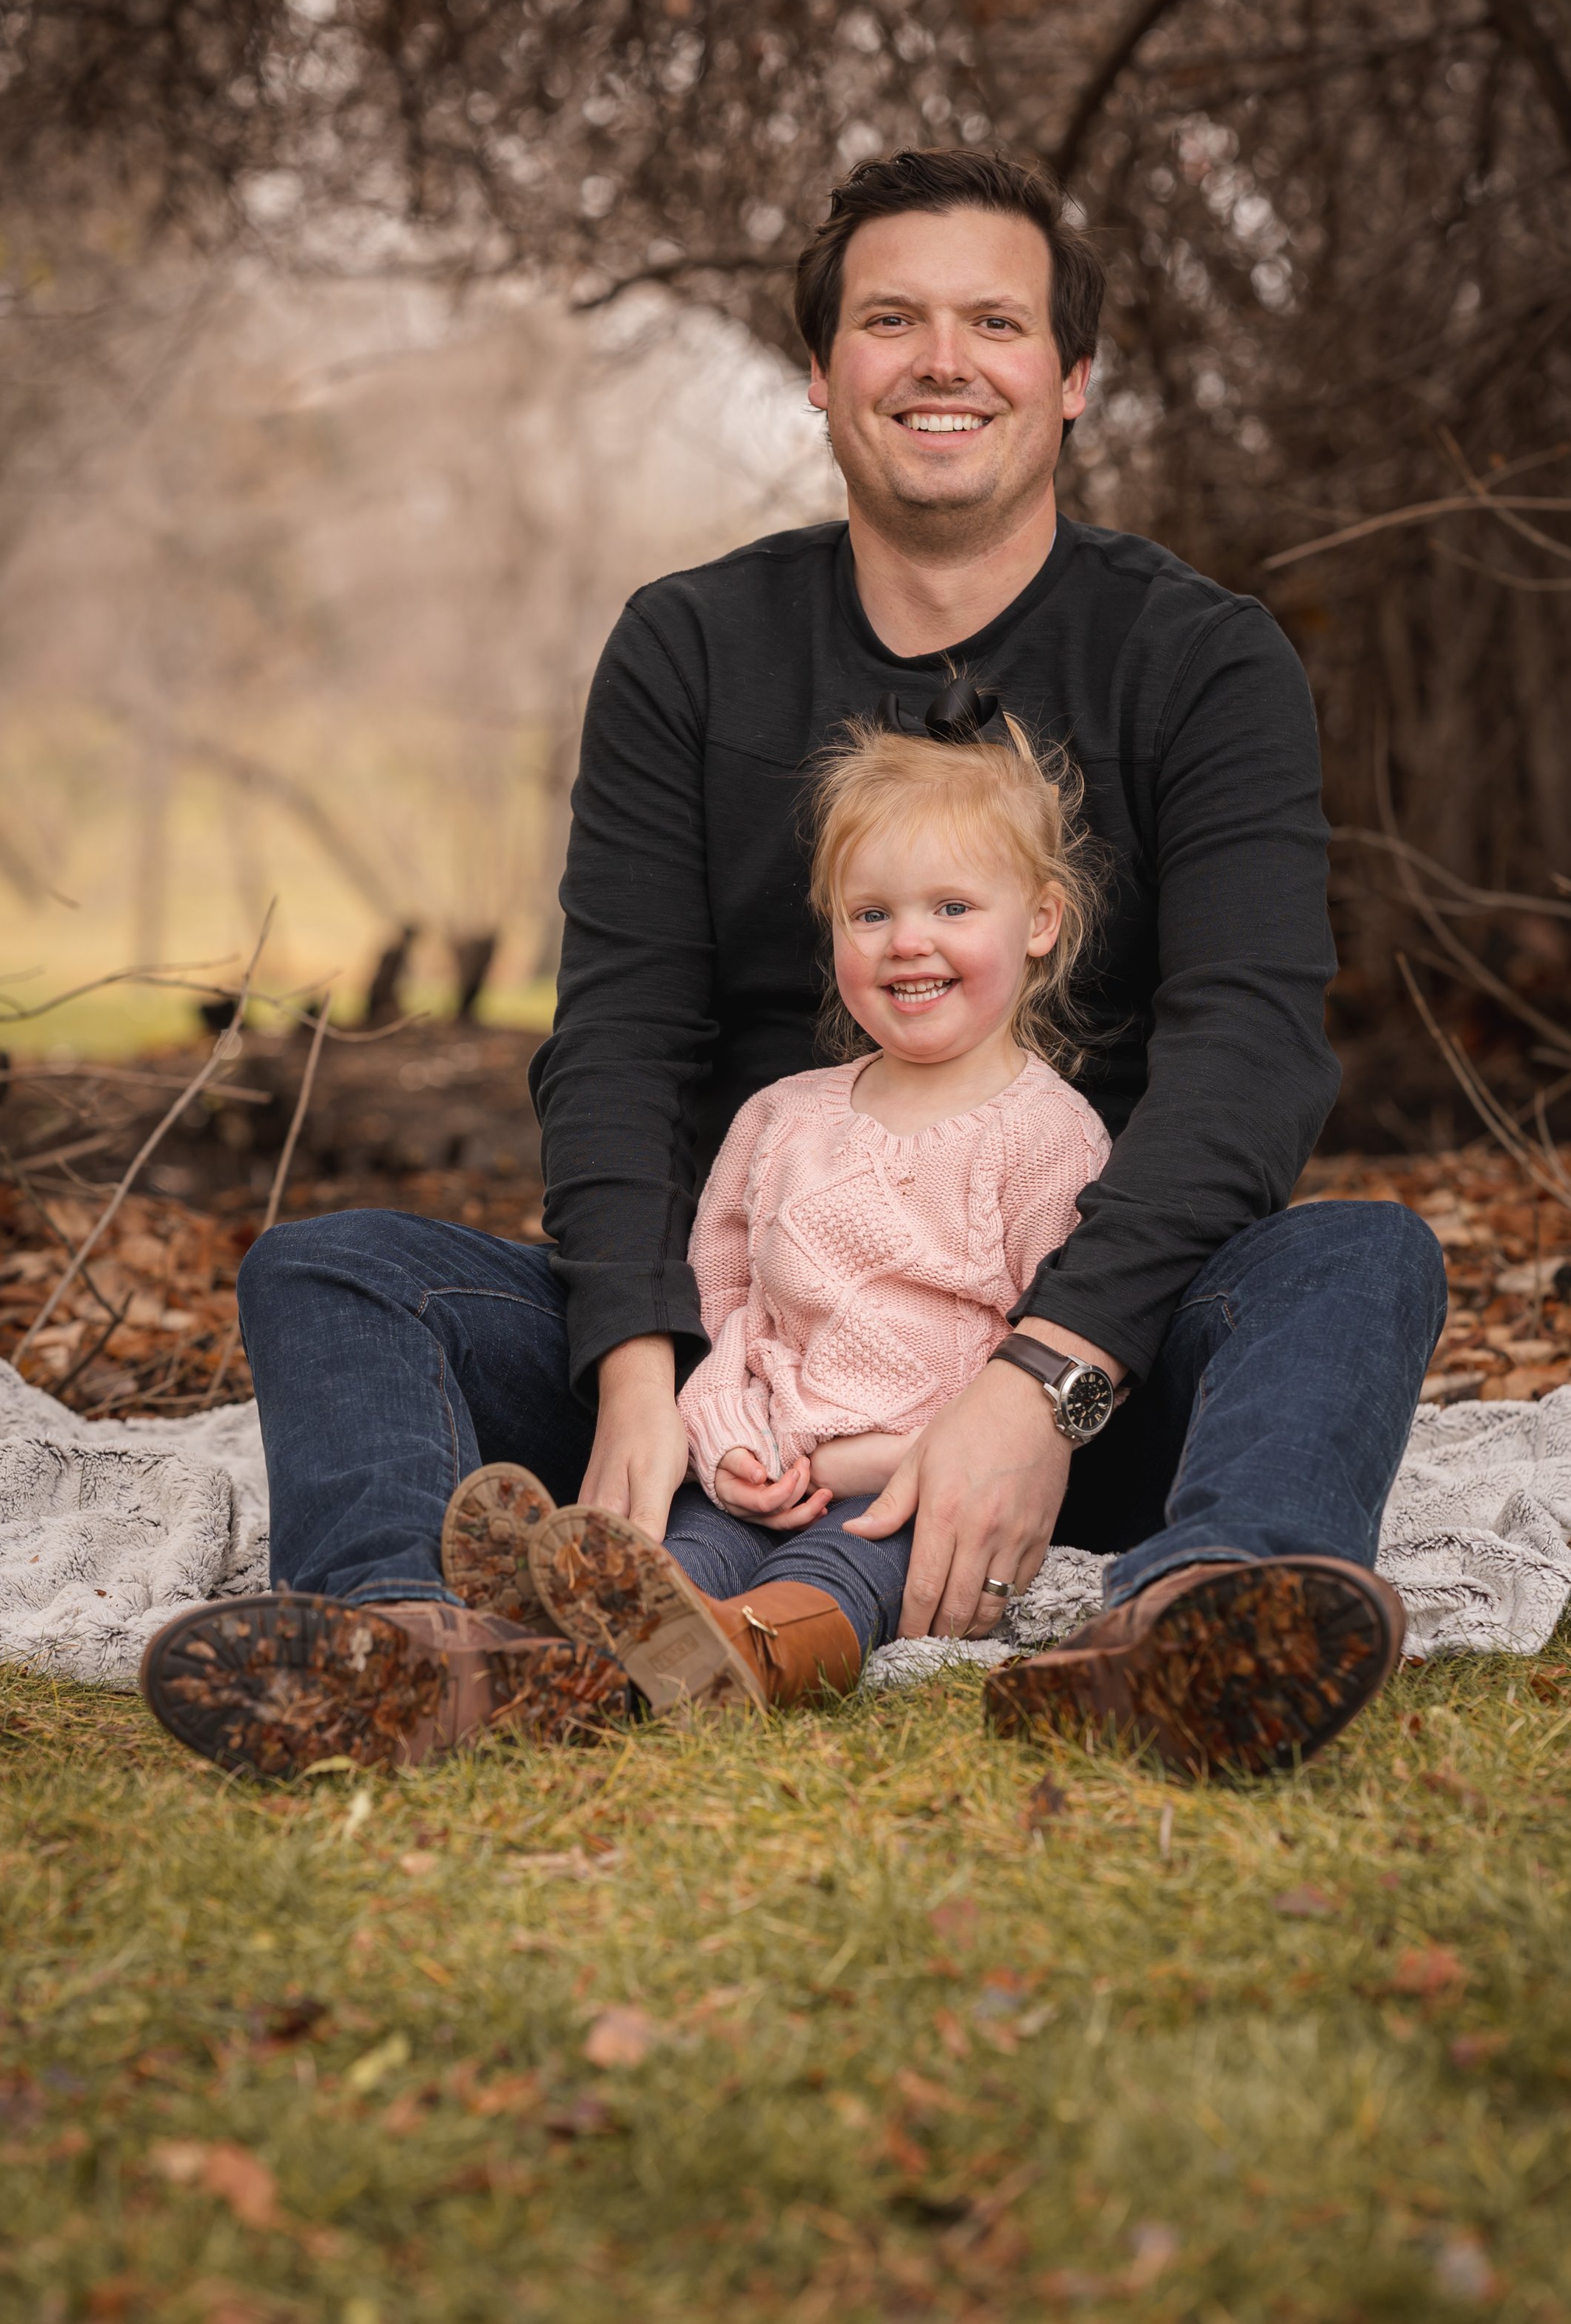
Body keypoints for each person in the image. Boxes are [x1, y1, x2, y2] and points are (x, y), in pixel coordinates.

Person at [141, 144, 1445, 1784]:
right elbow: (618, 1038)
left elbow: (1247, 1059)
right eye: (891, 321)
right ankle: (412, 1653)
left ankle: (1193, 1627)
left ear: (1071, 377)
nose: (943, 361)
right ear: (821, 375)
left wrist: (1033, 1387)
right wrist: (640, 1376)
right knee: (334, 1271)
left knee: (1359, 1259)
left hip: (1092, 1360)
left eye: (996, 321)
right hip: (743, 1366)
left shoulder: (1200, 659)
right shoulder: (691, 648)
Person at [432, 691, 1111, 1715]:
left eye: (953, 908)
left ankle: (753, 1662)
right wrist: (728, 1443)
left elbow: (1044, 1360)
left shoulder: (1050, 1138)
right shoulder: (780, 1120)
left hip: (912, 1485)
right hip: (765, 1466)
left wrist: (889, 1458)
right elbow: (724, 1316)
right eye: (871, 914)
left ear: (1042, 923)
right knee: (688, 1551)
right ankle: (553, 1649)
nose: (907, 942)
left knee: (841, 1569)